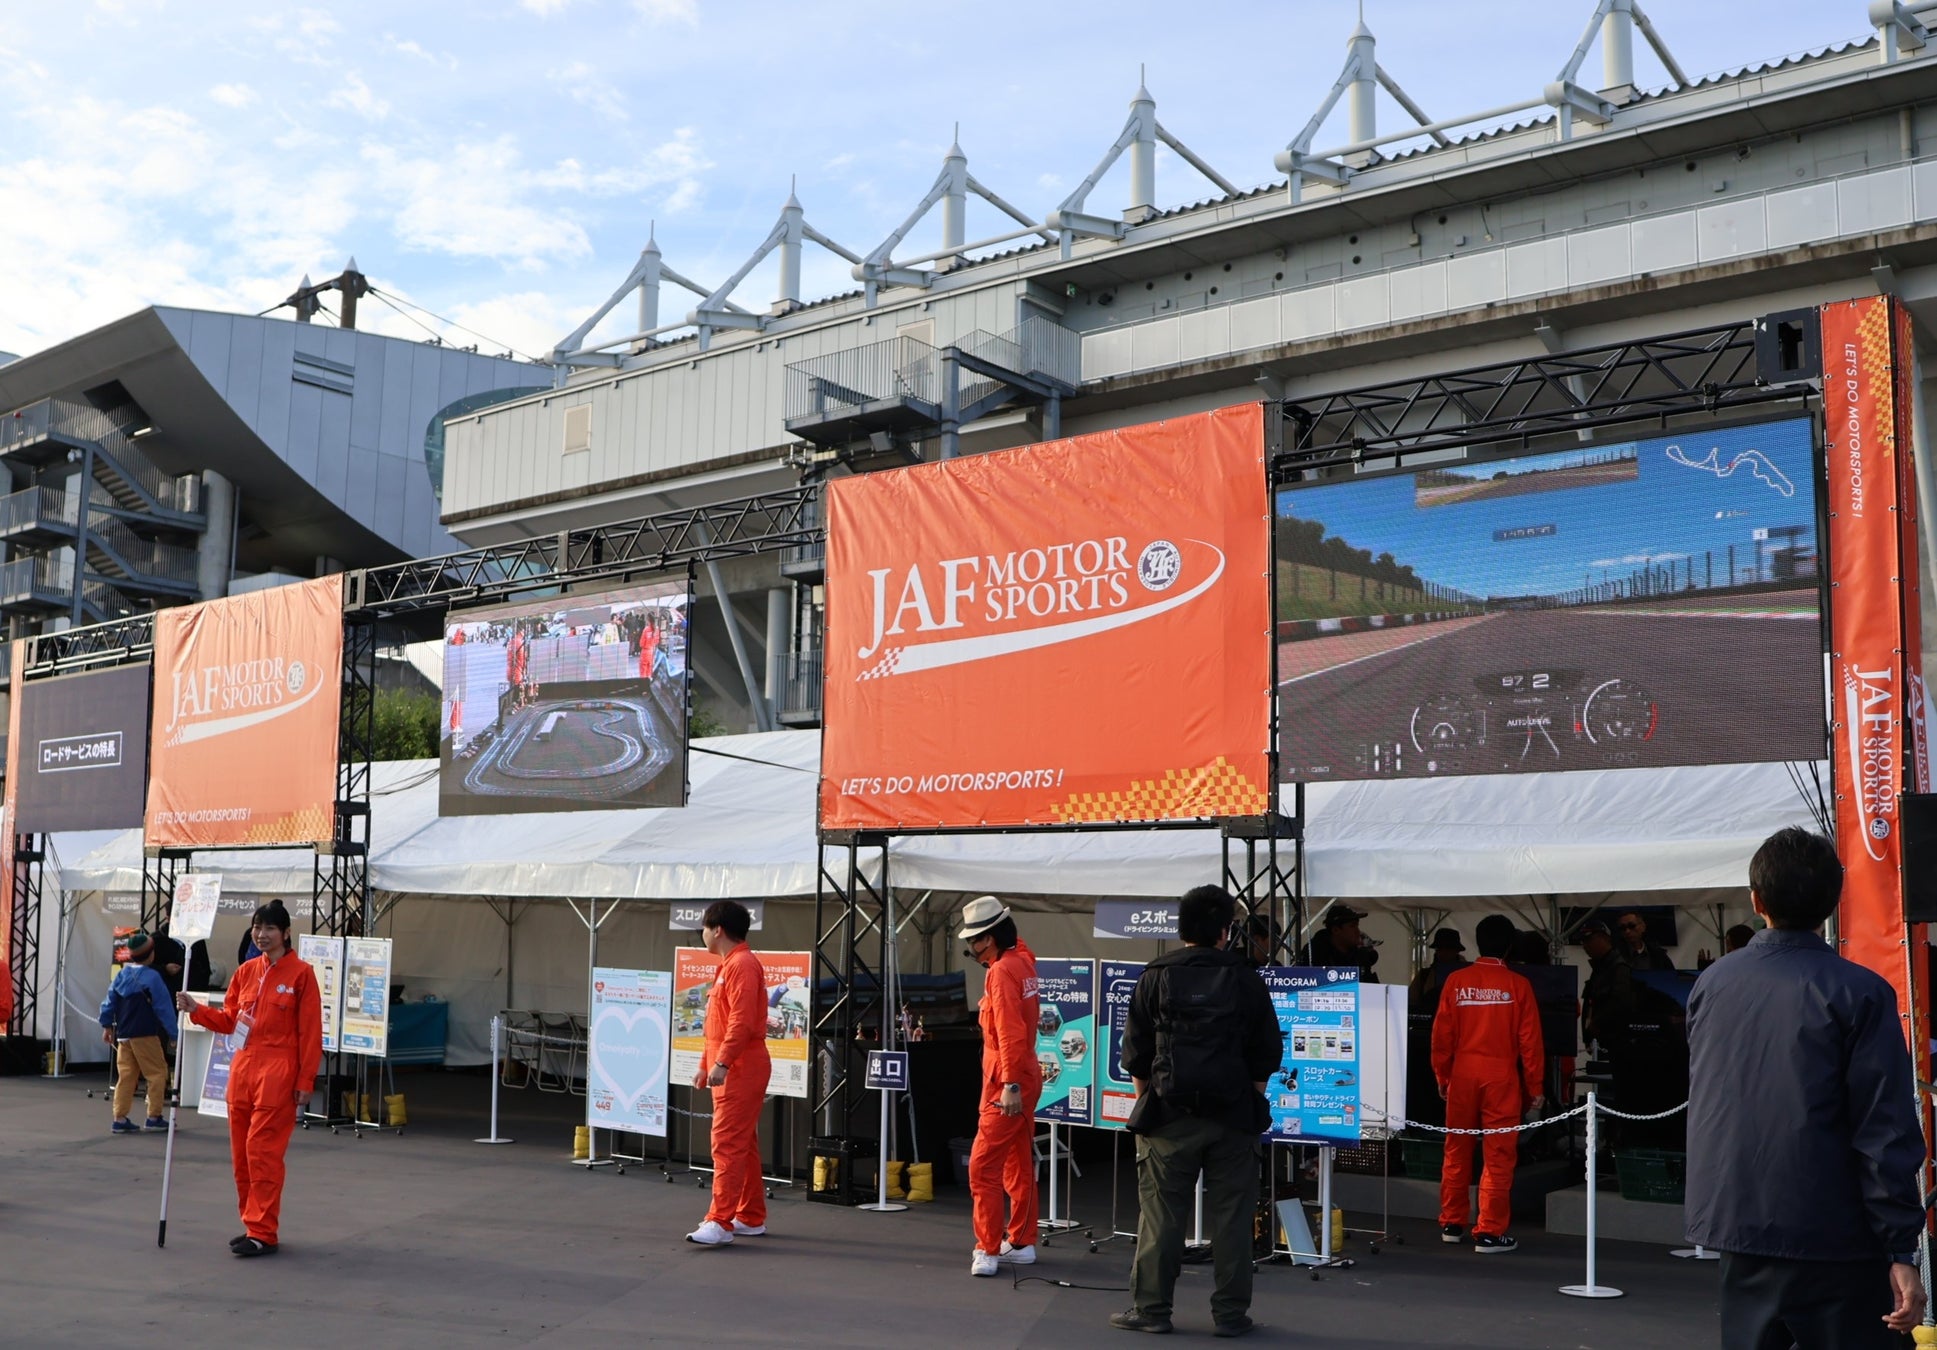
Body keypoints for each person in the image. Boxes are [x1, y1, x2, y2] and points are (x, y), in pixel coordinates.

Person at [1686, 826, 1927, 1345]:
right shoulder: (1860, 992)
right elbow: (1884, 1127)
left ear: (1756, 900)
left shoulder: (1713, 983)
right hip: (1835, 1230)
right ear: (1833, 901)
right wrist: (1900, 1247)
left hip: (1738, 1221)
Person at [1112, 885, 1283, 1338]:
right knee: (1232, 1218)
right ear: (1227, 930)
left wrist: (1148, 1100)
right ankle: (1230, 1315)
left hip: (1168, 1115)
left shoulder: (1154, 975)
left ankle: (1151, 1310)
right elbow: (1267, 1051)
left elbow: (1135, 1055)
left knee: (1162, 1216)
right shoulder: (1247, 977)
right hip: (1233, 1117)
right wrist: (1248, 1093)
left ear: (1181, 928)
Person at [175, 900, 321, 1257]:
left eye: (270, 928)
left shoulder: (301, 974)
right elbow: (229, 1021)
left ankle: (263, 1231)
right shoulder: (245, 972)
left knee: (263, 1153)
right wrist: (197, 1011)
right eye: (258, 928)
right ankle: (252, 1224)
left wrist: (305, 1082)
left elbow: (311, 1033)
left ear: (286, 933)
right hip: (242, 1072)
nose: (262, 935)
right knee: (241, 1155)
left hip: (278, 1072)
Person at [1432, 913, 1544, 1254]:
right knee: (1498, 1154)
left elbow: (1441, 1035)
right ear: (1510, 946)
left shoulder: (1455, 980)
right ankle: (1490, 1232)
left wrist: (1443, 1075)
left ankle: (1452, 1222)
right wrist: (1536, 1088)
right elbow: (1531, 1043)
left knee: (1456, 1148)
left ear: (1478, 942)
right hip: (1501, 1078)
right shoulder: (1519, 985)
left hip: (1463, 1074)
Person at [960, 894, 1041, 1278]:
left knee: (983, 1166)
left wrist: (1008, 1083)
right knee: (1016, 1160)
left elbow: (1009, 1031)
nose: (971, 946)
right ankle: (1021, 1242)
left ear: (988, 939)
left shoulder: (1001, 972)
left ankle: (988, 1248)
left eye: (975, 939)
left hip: (1006, 1078)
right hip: (1022, 1073)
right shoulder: (1021, 960)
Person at [685, 900, 773, 1246]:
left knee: (727, 1142)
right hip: (735, 1063)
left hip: (741, 1065)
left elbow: (740, 1021)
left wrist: (721, 1063)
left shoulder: (741, 965)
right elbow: (719, 1024)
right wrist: (707, 1064)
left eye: (704, 929)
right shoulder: (732, 965)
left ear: (717, 929)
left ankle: (720, 1221)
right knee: (741, 1142)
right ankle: (749, 1216)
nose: (702, 936)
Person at [99, 930, 179, 1134]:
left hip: (124, 1034)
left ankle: (119, 1117)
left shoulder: (122, 974)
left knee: (126, 1076)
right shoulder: (153, 977)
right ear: (151, 955)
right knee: (157, 1073)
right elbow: (164, 1008)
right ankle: (154, 1116)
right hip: (146, 1033)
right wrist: (174, 1034)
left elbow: (109, 1001)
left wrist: (107, 1025)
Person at [1578, 919, 1634, 1056]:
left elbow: (1621, 1003)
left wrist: (1595, 1026)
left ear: (1603, 939)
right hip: (1601, 1042)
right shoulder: (1600, 968)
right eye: (1583, 942)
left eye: (1589, 940)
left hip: (1616, 1043)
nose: (1585, 946)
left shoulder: (1619, 967)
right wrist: (1588, 1036)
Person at [1303, 904, 1380, 982]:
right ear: (1336, 930)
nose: (1358, 931)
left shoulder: (1359, 954)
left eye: (1357, 925)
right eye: (1352, 926)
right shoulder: (1313, 953)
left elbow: (1372, 988)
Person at [1409, 929, 1469, 1012]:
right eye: (1439, 948)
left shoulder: (1469, 975)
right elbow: (1411, 1003)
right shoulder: (1424, 975)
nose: (1443, 952)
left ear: (1456, 951)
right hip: (1431, 1023)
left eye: (1448, 948)